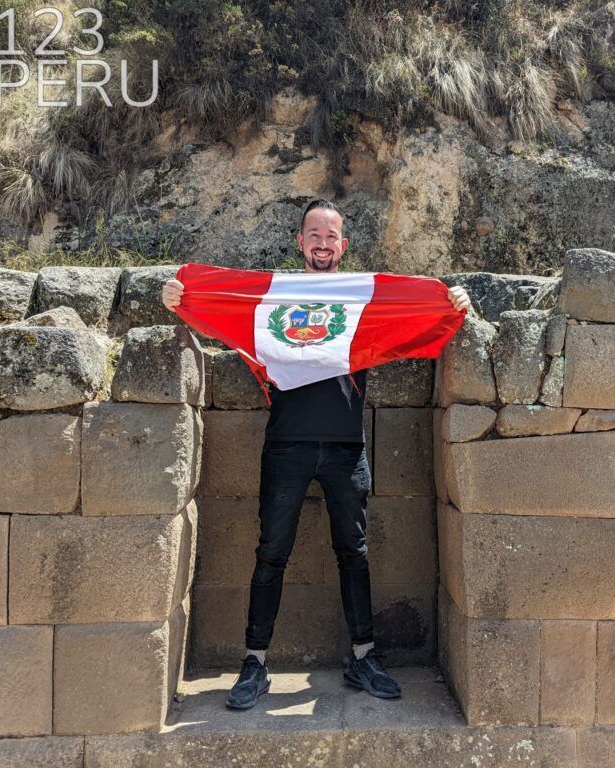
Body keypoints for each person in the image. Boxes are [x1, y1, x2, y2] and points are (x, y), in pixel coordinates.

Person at [162, 199, 471, 709]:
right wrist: (180, 297)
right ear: (300, 242)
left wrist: (453, 302)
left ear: (342, 246)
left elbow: (420, 324)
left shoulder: (362, 302)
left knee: (355, 554)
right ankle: (255, 662)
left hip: (347, 447)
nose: (323, 244)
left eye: (331, 236)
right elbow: (222, 307)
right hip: (287, 444)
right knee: (270, 554)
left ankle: (363, 656)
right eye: (314, 235)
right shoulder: (276, 296)